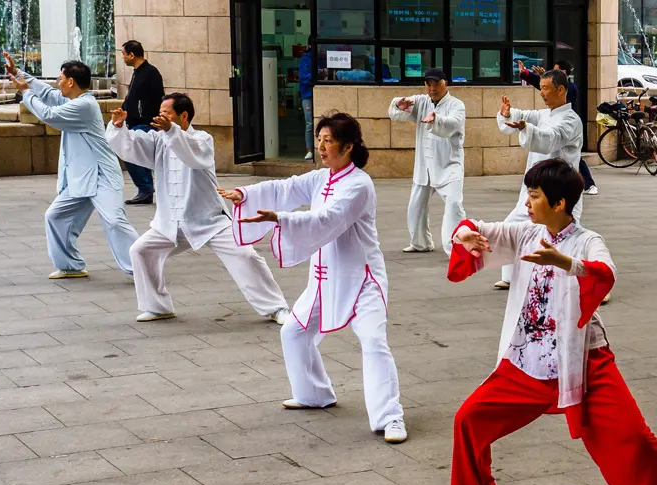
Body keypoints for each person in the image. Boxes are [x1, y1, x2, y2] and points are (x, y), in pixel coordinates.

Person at [443, 159, 657, 485]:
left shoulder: (587, 240)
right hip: (525, 361)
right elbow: (476, 229)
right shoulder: (524, 234)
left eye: (534, 196)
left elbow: (605, 273)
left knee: (633, 436)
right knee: (468, 419)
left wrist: (565, 262)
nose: (527, 203)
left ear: (560, 203)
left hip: (583, 361)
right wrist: (463, 237)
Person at [221, 113, 408, 443]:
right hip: (324, 278)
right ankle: (315, 394)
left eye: (329, 140)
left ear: (348, 146)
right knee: (293, 332)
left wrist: (282, 219)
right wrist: (244, 193)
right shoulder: (322, 177)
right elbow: (287, 186)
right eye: (319, 139)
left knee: (373, 341)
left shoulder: (359, 184)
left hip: (363, 279)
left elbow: (328, 218)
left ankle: (390, 417)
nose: (321, 146)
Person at [109, 93, 290, 324]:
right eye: (160, 113)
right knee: (140, 251)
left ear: (183, 116)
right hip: (171, 222)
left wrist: (171, 132)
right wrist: (118, 126)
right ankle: (157, 306)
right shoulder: (159, 140)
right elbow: (131, 146)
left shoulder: (202, 139)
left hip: (208, 220)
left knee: (245, 255)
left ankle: (277, 308)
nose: (160, 118)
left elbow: (192, 156)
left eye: (166, 114)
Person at [6, 52, 140, 280]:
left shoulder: (84, 106)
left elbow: (48, 114)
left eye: (60, 78)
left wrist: (25, 92)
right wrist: (18, 72)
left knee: (115, 221)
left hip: (102, 177)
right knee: (55, 216)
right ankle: (71, 265)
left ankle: (143, 267)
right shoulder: (73, 100)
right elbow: (46, 93)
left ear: (71, 82)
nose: (57, 83)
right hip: (81, 178)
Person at [494, 69, 584, 290]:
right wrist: (508, 114)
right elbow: (524, 116)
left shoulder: (571, 121)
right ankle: (510, 276)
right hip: (536, 189)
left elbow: (550, 139)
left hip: (560, 189)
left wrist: (527, 129)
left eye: (545, 88)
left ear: (560, 90)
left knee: (568, 237)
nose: (542, 93)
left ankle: (588, 278)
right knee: (512, 225)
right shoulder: (544, 114)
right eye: (541, 88)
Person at [390, 68, 466, 254]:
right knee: (415, 207)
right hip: (425, 164)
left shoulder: (457, 105)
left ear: (445, 83)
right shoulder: (422, 101)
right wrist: (399, 104)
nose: (432, 88)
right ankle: (421, 243)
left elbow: (452, 124)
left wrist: (436, 119)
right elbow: (398, 109)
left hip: (449, 165)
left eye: (436, 84)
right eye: (428, 84)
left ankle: (456, 246)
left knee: (454, 204)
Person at [522, 61, 600, 194]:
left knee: (576, 160)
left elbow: (553, 91)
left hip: (568, 128)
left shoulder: (571, 88)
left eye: (556, 70)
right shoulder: (557, 91)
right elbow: (546, 89)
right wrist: (528, 75)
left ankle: (590, 184)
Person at [119, 40, 162, 205]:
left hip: (145, 123)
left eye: (123, 54)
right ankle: (145, 189)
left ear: (131, 55)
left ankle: (145, 189)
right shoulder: (138, 72)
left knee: (131, 152)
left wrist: (149, 120)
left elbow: (156, 99)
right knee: (132, 154)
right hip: (136, 122)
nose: (122, 57)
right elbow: (132, 97)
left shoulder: (151, 73)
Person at [298, 45, 314, 161]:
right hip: (307, 94)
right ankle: (309, 150)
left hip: (316, 93)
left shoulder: (320, 57)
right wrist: (317, 75)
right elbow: (303, 77)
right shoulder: (306, 58)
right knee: (309, 123)